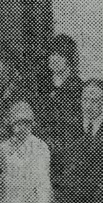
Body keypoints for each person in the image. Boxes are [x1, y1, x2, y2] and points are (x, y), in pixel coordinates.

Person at [0, 101, 52, 203]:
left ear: (31, 125)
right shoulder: (5, 147)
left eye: (26, 124)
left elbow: (43, 180)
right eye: (18, 124)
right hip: (9, 202)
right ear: (12, 125)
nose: (21, 128)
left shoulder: (39, 147)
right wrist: (0, 187)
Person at [29, 34, 84, 186]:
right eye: (52, 54)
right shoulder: (41, 88)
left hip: (67, 158)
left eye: (60, 54)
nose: (54, 58)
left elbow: (75, 130)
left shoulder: (78, 89)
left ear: (69, 58)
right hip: (40, 155)